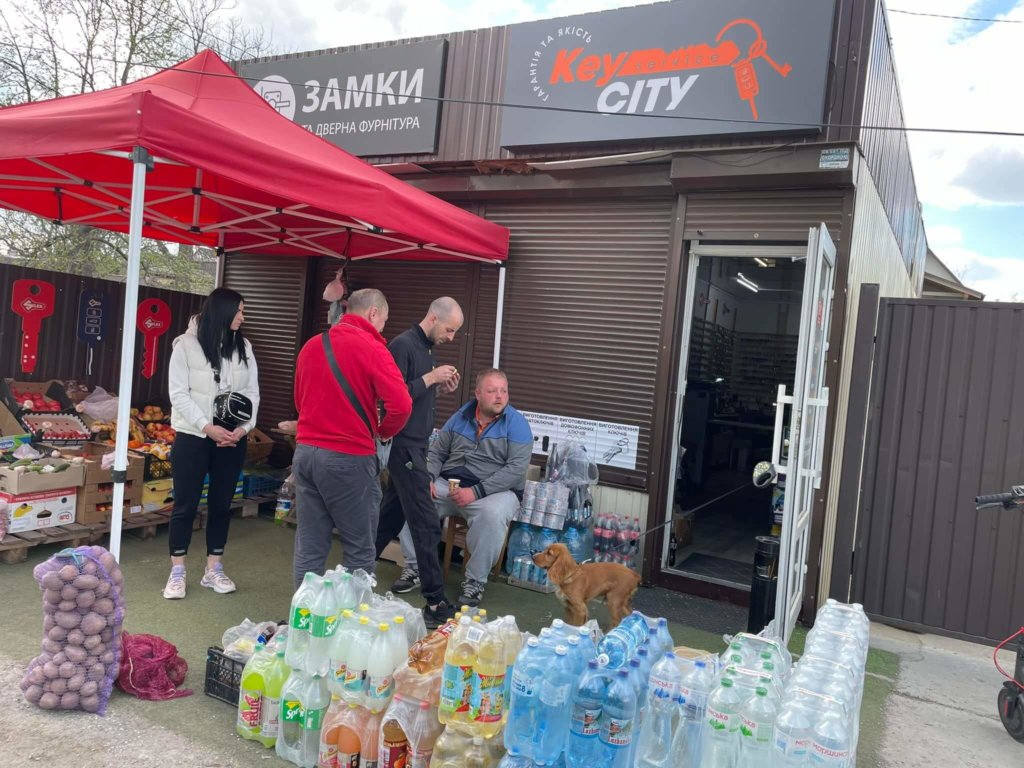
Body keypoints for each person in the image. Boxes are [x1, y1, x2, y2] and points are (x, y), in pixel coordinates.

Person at [292, 288, 412, 588]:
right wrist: (383, 432)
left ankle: (303, 613)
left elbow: (299, 400)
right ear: (373, 313)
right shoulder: (372, 348)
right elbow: (402, 405)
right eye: (383, 321)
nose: (382, 328)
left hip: (305, 452)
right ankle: (353, 615)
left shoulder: (312, 345)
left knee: (310, 545)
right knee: (359, 549)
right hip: (349, 457)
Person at [164, 287, 259, 599]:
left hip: (231, 440)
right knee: (185, 505)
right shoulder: (185, 345)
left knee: (221, 504)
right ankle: (177, 571)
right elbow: (178, 394)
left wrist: (243, 429)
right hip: (193, 436)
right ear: (223, 311)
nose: (243, 317)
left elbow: (253, 393)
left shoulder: (243, 346)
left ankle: (213, 568)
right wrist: (206, 427)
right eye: (239, 311)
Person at [375, 297, 463, 628]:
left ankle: (353, 576)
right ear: (434, 318)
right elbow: (392, 396)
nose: (451, 337)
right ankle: (435, 601)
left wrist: (439, 387)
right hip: (404, 445)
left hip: (417, 444)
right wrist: (431, 377)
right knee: (426, 522)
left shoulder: (426, 349)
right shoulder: (403, 345)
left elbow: (415, 394)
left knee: (388, 518)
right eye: (450, 330)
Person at [416, 368, 533, 607]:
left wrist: (476, 492)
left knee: (491, 514)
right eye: (492, 391)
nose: (499, 396)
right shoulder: (459, 417)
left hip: (496, 490)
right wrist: (428, 477)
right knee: (414, 496)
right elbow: (437, 452)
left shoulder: (518, 425)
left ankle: (475, 581)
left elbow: (515, 470)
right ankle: (414, 566)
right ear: (478, 393)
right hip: (452, 483)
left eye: (504, 391)